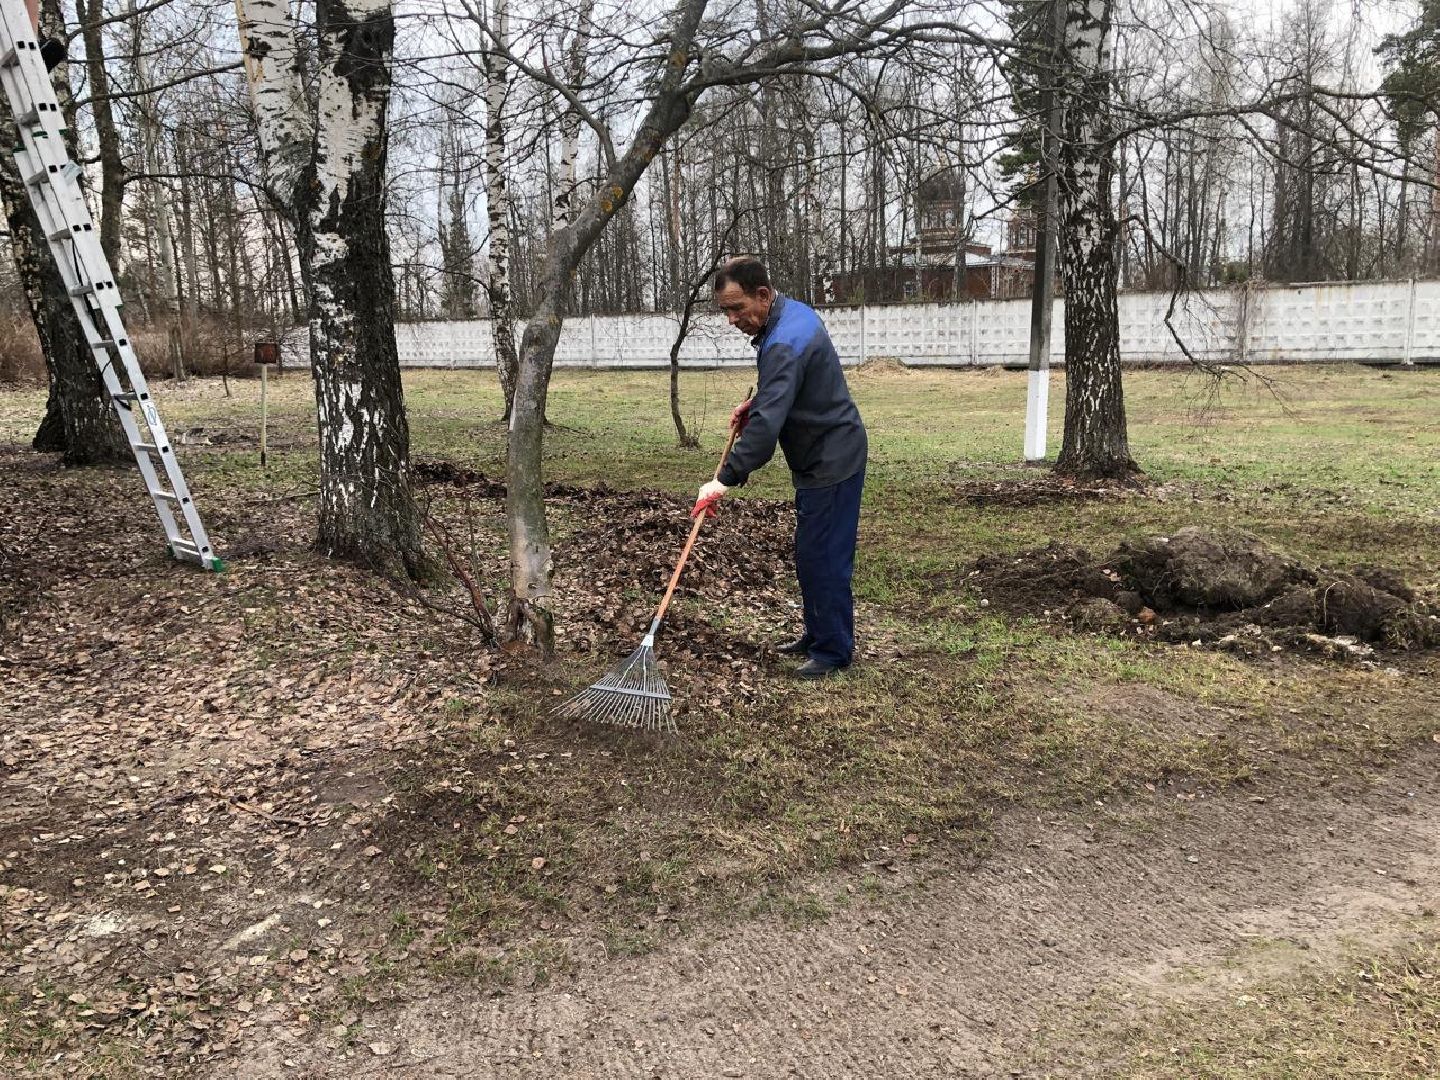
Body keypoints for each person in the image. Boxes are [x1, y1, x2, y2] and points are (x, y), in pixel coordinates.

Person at [695, 256, 867, 680]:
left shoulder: (783, 343)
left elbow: (768, 428)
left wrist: (722, 480)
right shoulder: (792, 315)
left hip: (832, 458)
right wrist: (756, 404)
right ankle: (818, 634)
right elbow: (788, 389)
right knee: (810, 556)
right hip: (821, 453)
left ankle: (832, 652)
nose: (733, 319)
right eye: (725, 311)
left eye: (738, 308)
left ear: (763, 295)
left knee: (825, 557)